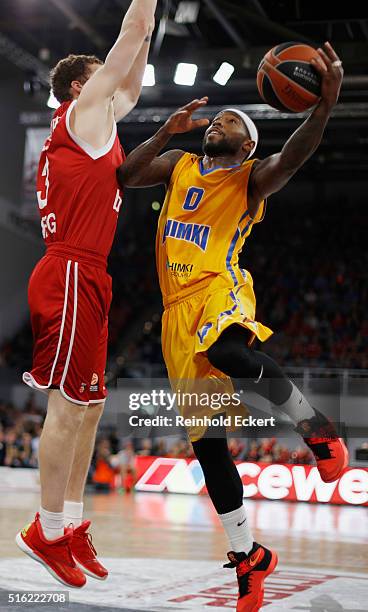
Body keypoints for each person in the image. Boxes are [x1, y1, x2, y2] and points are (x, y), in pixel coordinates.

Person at [117, 42, 348, 611]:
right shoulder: (181, 166)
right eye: (214, 120)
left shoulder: (248, 179)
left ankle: (317, 426)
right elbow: (125, 175)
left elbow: (292, 159)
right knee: (208, 447)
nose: (215, 123)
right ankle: (249, 557)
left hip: (219, 288)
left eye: (228, 122)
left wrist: (322, 107)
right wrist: (167, 132)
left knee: (230, 352)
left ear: (247, 143)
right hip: (174, 314)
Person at [16, 0, 158, 589]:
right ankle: (44, 532)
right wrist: (147, 16)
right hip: (70, 269)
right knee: (66, 410)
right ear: (82, 83)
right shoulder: (82, 113)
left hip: (88, 273)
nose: (115, 80)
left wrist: (147, 40)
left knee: (91, 406)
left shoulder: (101, 126)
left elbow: (136, 68)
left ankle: (70, 524)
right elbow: (133, 32)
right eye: (103, 73)